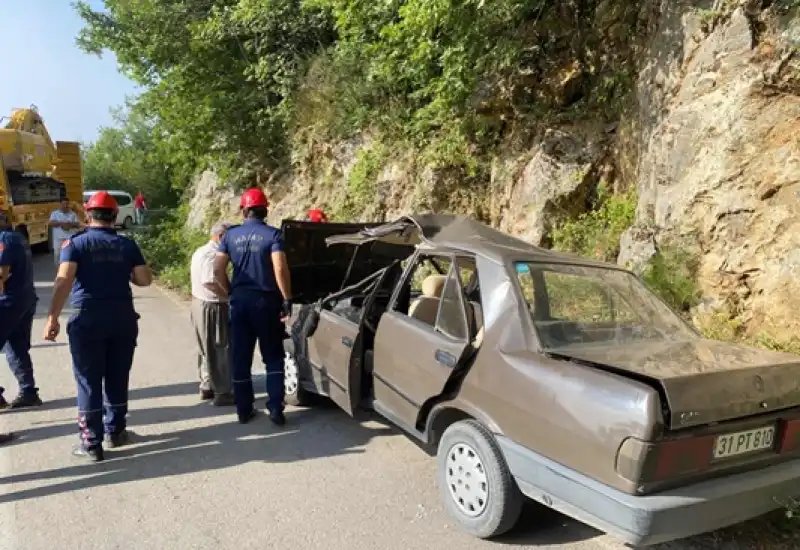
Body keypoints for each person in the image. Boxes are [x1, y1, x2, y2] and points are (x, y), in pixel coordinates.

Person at [43, 191, 153, 462]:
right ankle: (115, 431)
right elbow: (144, 280)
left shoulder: (75, 243)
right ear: (115, 215)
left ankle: (91, 442)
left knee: (88, 380)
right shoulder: (127, 245)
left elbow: (64, 280)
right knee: (117, 375)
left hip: (88, 318)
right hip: (122, 318)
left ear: (88, 214)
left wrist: (52, 317)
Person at [213, 188, 292, 425]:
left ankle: (243, 410)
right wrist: (287, 297)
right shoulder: (273, 235)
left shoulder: (230, 236)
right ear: (265, 210)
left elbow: (217, 270)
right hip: (266, 301)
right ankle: (276, 408)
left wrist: (230, 291)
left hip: (240, 302)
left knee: (240, 358)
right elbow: (279, 268)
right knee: (273, 357)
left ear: (244, 210)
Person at [0, 210, 41, 409]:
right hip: (25, 299)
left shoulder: (2, 240)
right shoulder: (17, 238)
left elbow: (1, 274)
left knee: (15, 347)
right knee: (16, 346)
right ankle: (28, 391)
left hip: (7, 302)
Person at [190, 221, 235, 406]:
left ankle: (207, 385)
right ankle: (222, 392)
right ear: (221, 237)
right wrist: (230, 294)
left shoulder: (200, 251)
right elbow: (210, 281)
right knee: (220, 347)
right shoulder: (211, 255)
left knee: (205, 347)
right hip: (213, 305)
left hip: (199, 302)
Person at [48, 198, 81, 265]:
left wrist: (70, 224)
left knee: (70, 257)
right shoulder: (54, 213)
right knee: (57, 258)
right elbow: (50, 223)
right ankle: (59, 273)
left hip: (69, 239)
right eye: (64, 204)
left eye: (67, 204)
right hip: (58, 240)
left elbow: (77, 224)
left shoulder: (73, 214)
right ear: (60, 204)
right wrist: (61, 223)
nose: (65, 206)